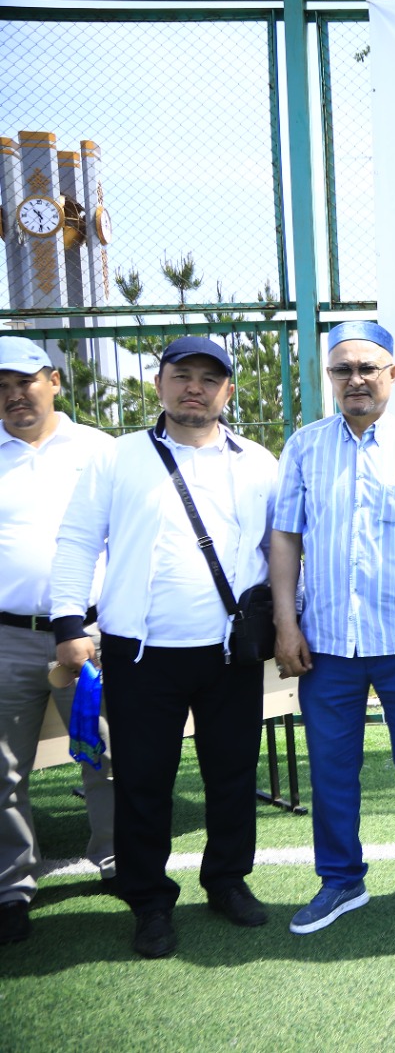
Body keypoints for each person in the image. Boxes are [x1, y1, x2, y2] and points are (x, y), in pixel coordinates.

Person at [53, 336, 280, 959]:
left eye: (209, 378)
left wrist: (290, 620)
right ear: (159, 385)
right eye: (182, 375)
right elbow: (77, 540)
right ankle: (149, 901)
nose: (194, 389)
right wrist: (69, 624)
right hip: (140, 654)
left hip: (230, 652)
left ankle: (227, 880)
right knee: (142, 780)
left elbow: (279, 549)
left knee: (232, 773)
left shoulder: (258, 461)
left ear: (227, 390)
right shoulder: (118, 457)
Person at [270, 321, 395, 934]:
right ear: (329, 377)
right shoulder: (304, 447)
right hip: (326, 644)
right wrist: (285, 624)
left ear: (392, 374)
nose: (355, 380)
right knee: (331, 768)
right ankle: (340, 879)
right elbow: (285, 538)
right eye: (342, 370)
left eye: (367, 368)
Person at [0, 337, 116, 946]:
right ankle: (11, 887)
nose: (14, 395)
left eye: (24, 381)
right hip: (6, 637)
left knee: (106, 756)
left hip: (90, 634)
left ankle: (117, 860)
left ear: (54, 382)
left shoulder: (99, 450)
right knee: (3, 771)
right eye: (1, 387)